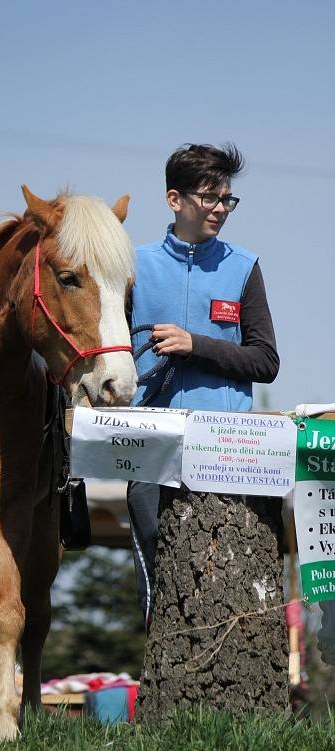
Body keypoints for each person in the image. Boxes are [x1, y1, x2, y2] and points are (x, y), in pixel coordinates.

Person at [127, 143, 279, 626]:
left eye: (227, 200)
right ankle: (160, 682)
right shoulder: (133, 265)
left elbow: (266, 361)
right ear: (175, 199)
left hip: (226, 450)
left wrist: (197, 345)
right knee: (158, 582)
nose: (220, 209)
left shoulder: (244, 266)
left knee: (222, 584)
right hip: (150, 444)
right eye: (209, 198)